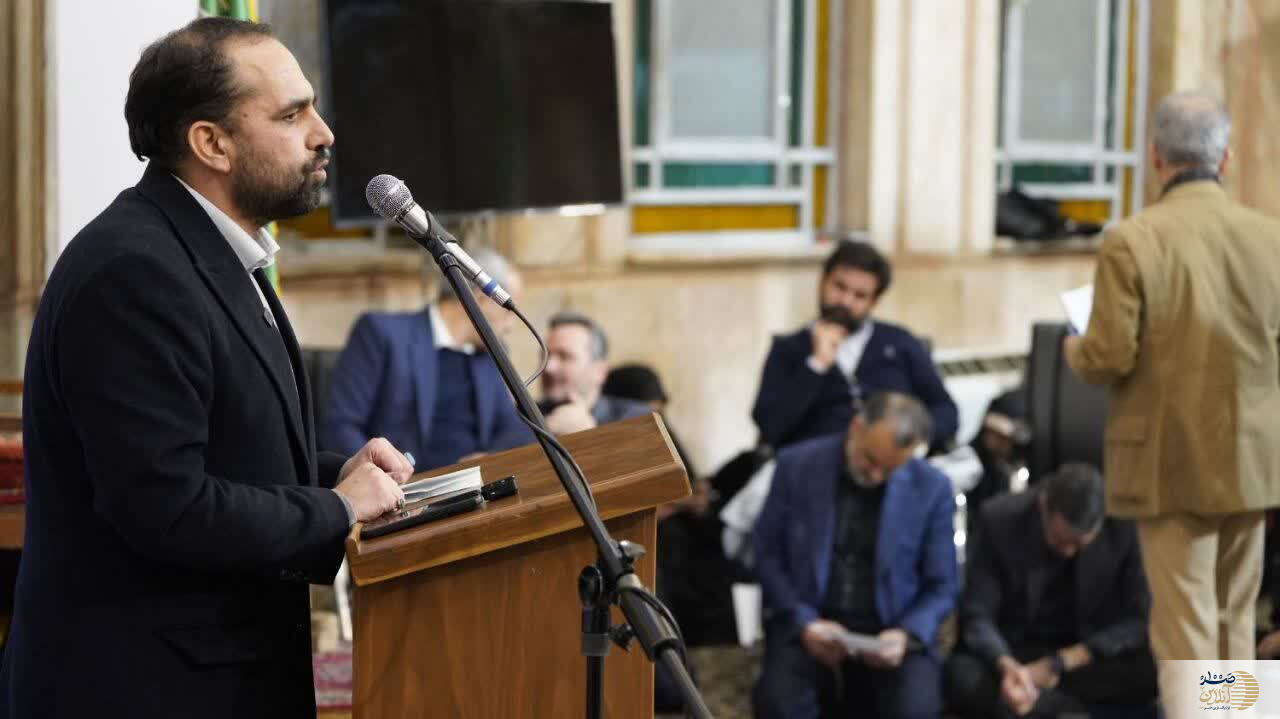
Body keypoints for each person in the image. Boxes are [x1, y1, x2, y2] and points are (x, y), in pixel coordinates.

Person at [0, 19, 413, 718]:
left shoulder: (208, 250)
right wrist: (339, 508)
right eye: (291, 115)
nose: (323, 134)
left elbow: (229, 451)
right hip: (145, 691)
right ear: (211, 143)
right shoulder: (134, 272)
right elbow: (166, 507)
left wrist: (338, 473)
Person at [1064, 92, 1280, 676]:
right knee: (1234, 619)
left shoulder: (1133, 240)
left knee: (1186, 631)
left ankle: (1204, 715)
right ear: (1226, 158)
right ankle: (1235, 715)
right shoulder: (1271, 237)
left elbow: (1109, 357)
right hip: (1253, 461)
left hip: (1170, 460)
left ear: (1155, 157)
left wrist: (1074, 348)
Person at [752, 392, 957, 718]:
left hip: (892, 629)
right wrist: (804, 622)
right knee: (779, 704)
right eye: (870, 460)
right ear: (856, 428)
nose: (875, 475)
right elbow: (766, 553)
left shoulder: (932, 488)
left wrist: (906, 634)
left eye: (889, 470)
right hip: (808, 622)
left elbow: (943, 584)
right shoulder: (797, 466)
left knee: (915, 709)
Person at [945, 463, 1158, 718]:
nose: (1067, 552)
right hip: (1017, 649)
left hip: (1083, 653)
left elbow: (1139, 618)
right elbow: (978, 613)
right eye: (1059, 540)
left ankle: (1040, 706)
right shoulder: (1000, 518)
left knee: (1151, 671)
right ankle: (1053, 706)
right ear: (1043, 505)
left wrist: (1063, 661)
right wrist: (1007, 665)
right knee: (961, 678)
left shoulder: (1124, 525)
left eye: (1078, 545)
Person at [321, 248, 532, 470]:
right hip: (402, 484)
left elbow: (512, 428)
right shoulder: (382, 334)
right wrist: (381, 477)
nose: (510, 326)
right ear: (481, 300)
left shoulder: (488, 354)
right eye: (508, 311)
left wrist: (488, 458)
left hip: (475, 483)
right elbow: (339, 426)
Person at [752, 240, 958, 452]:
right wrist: (816, 365)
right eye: (839, 287)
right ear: (822, 282)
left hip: (893, 462)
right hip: (815, 464)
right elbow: (770, 426)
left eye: (860, 296)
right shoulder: (789, 349)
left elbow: (945, 410)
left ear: (873, 302)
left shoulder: (900, 343)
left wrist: (914, 442)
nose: (846, 302)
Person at [537, 312, 650, 434]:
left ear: (600, 371)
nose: (548, 367)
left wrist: (588, 435)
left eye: (565, 356)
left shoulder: (636, 419)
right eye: (545, 355)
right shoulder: (524, 420)